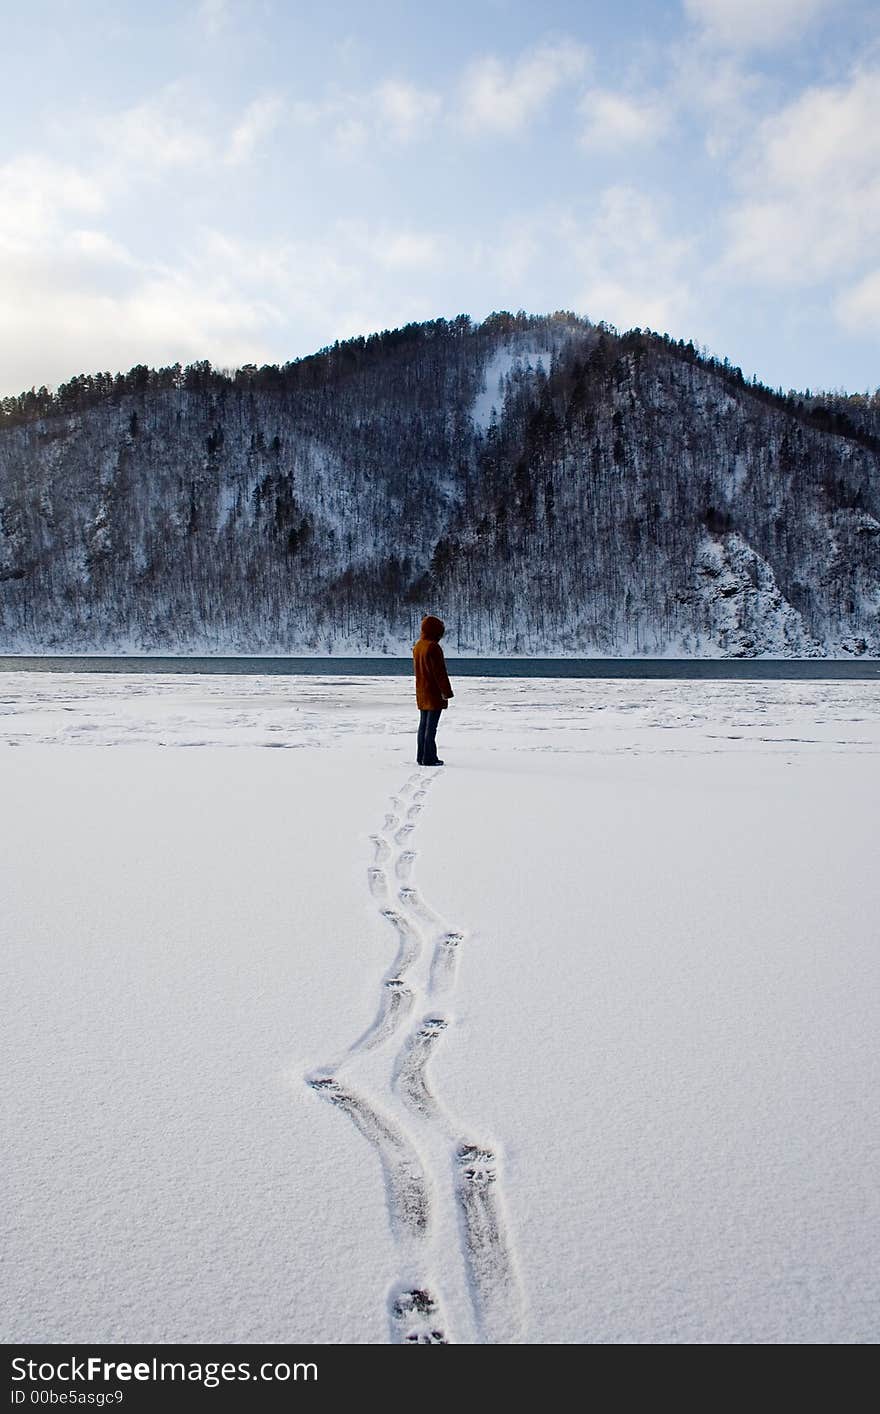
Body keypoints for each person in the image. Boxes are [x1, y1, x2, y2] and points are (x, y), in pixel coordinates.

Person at [412, 614, 454, 766]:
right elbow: (440, 673)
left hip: (422, 691)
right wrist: (446, 692)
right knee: (431, 728)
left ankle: (421, 756)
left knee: (423, 725)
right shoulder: (433, 647)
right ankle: (429, 758)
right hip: (434, 693)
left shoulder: (418, 646)